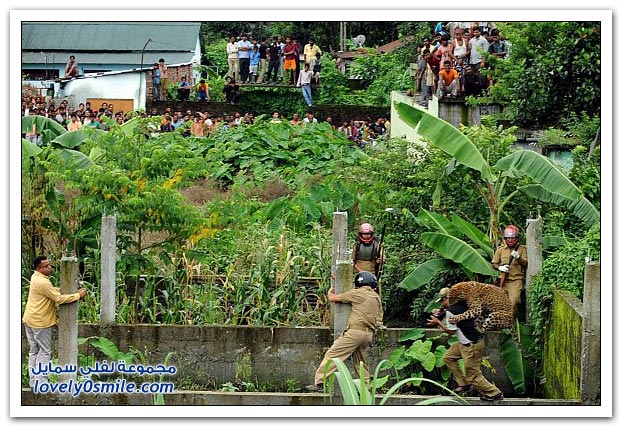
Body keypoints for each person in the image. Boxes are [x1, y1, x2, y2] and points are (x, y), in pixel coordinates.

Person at [305, 271, 383, 392]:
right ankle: (366, 387)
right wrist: (338, 279)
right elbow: (378, 319)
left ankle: (320, 382)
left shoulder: (357, 293)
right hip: (368, 334)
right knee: (360, 361)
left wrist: (330, 292)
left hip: (355, 332)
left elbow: (333, 298)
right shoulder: (376, 297)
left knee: (333, 355)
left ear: (358, 283)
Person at [427, 287, 504, 401]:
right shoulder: (466, 303)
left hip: (470, 346)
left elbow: (451, 331)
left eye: (442, 301)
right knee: (448, 358)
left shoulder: (451, 311)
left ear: (447, 299)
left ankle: (494, 393)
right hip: (468, 342)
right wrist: (442, 312)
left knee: (473, 376)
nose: (442, 304)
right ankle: (463, 384)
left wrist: (437, 322)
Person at [22, 256, 87, 388]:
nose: (49, 268)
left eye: (49, 265)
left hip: (30, 319)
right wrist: (78, 295)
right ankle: (41, 383)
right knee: (45, 352)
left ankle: (34, 381)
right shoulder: (43, 282)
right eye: (46, 266)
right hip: (40, 323)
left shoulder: (36, 278)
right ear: (38, 268)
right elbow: (58, 299)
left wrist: (69, 290)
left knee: (34, 351)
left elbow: (51, 292)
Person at [492, 224, 528, 311]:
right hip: (502, 280)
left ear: (517, 238)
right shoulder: (500, 249)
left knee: (513, 303)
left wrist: (518, 257)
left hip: (515, 281)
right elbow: (494, 264)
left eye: (512, 238)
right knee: (500, 303)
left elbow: (525, 264)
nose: (510, 240)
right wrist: (500, 268)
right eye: (508, 238)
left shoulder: (522, 249)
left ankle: (510, 322)